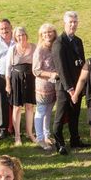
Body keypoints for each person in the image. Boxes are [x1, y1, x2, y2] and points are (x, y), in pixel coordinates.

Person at [51, 11, 86, 154]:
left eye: (75, 22)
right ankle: (59, 143)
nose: (73, 25)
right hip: (65, 88)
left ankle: (75, 140)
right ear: (64, 23)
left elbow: (82, 63)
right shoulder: (59, 43)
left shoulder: (78, 41)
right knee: (60, 116)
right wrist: (70, 89)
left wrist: (79, 88)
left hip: (77, 86)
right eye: (70, 22)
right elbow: (61, 69)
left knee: (75, 114)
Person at [5, 27, 37, 146]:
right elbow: (8, 67)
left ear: (26, 35)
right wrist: (8, 84)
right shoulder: (12, 49)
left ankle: (30, 133)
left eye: (23, 34)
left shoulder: (34, 47)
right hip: (16, 78)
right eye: (18, 35)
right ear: (15, 37)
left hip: (30, 78)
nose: (21, 37)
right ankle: (17, 136)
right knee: (17, 108)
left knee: (29, 106)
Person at [32, 23, 58, 151]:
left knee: (49, 111)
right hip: (43, 86)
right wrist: (51, 74)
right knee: (41, 111)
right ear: (41, 35)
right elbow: (36, 70)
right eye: (44, 33)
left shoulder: (55, 46)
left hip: (54, 85)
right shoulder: (40, 50)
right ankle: (40, 138)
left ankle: (47, 135)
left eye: (50, 32)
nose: (47, 35)